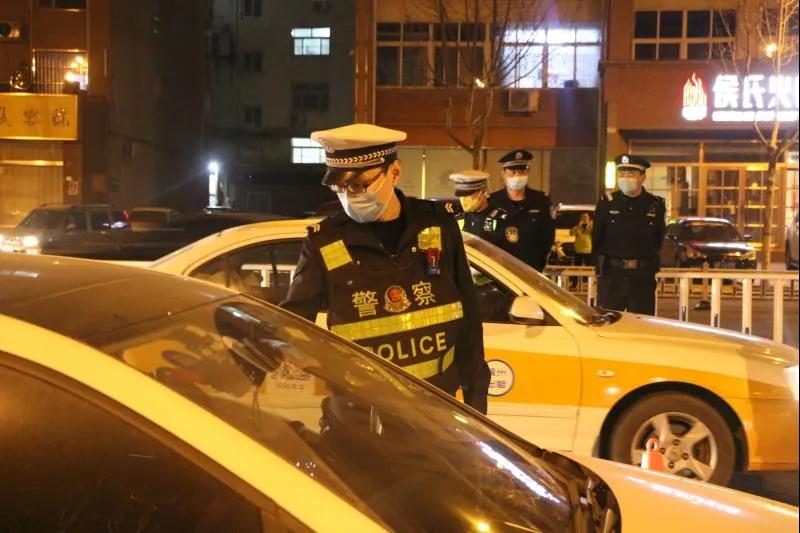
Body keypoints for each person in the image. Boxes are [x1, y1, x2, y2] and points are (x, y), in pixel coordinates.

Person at [280, 123, 490, 413]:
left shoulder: (437, 226)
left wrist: (475, 404)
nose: (349, 196)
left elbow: (468, 320)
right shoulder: (324, 243)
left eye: (358, 185)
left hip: (435, 412)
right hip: (359, 416)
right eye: (339, 187)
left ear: (394, 171)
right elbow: (291, 325)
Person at [592, 154, 666, 315]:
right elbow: (597, 239)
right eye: (622, 174)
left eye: (631, 174)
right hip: (612, 276)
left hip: (642, 278)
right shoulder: (607, 202)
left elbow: (658, 239)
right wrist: (599, 271)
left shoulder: (655, 204)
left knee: (640, 324)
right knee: (609, 323)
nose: (625, 179)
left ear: (642, 177)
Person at [488, 149, 555, 271]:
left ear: (528, 171)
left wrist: (539, 264)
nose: (517, 176)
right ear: (503, 173)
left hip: (531, 269)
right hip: (500, 270)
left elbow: (548, 237)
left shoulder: (541, 201)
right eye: (513, 172)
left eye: (521, 172)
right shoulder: (493, 202)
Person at [447, 169, 507, 246]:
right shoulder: (458, 218)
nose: (463, 199)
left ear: (483, 192)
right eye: (461, 196)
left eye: (467, 195)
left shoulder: (501, 219)